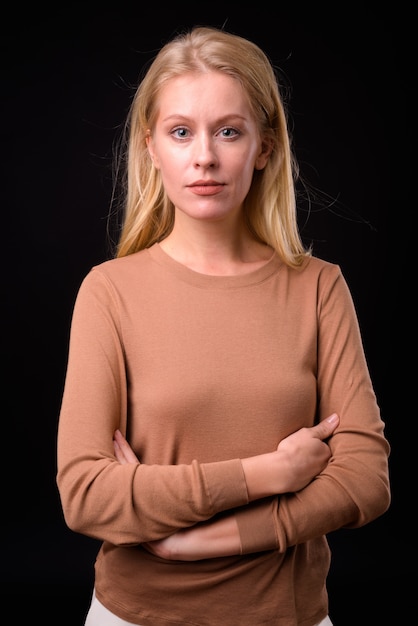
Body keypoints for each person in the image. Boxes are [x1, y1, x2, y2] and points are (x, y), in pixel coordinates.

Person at [56, 25, 391, 626]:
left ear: (263, 147)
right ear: (151, 147)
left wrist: (200, 539)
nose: (204, 156)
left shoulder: (319, 287)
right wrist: (266, 474)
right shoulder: (109, 292)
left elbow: (366, 479)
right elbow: (85, 495)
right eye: (181, 132)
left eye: (229, 131)